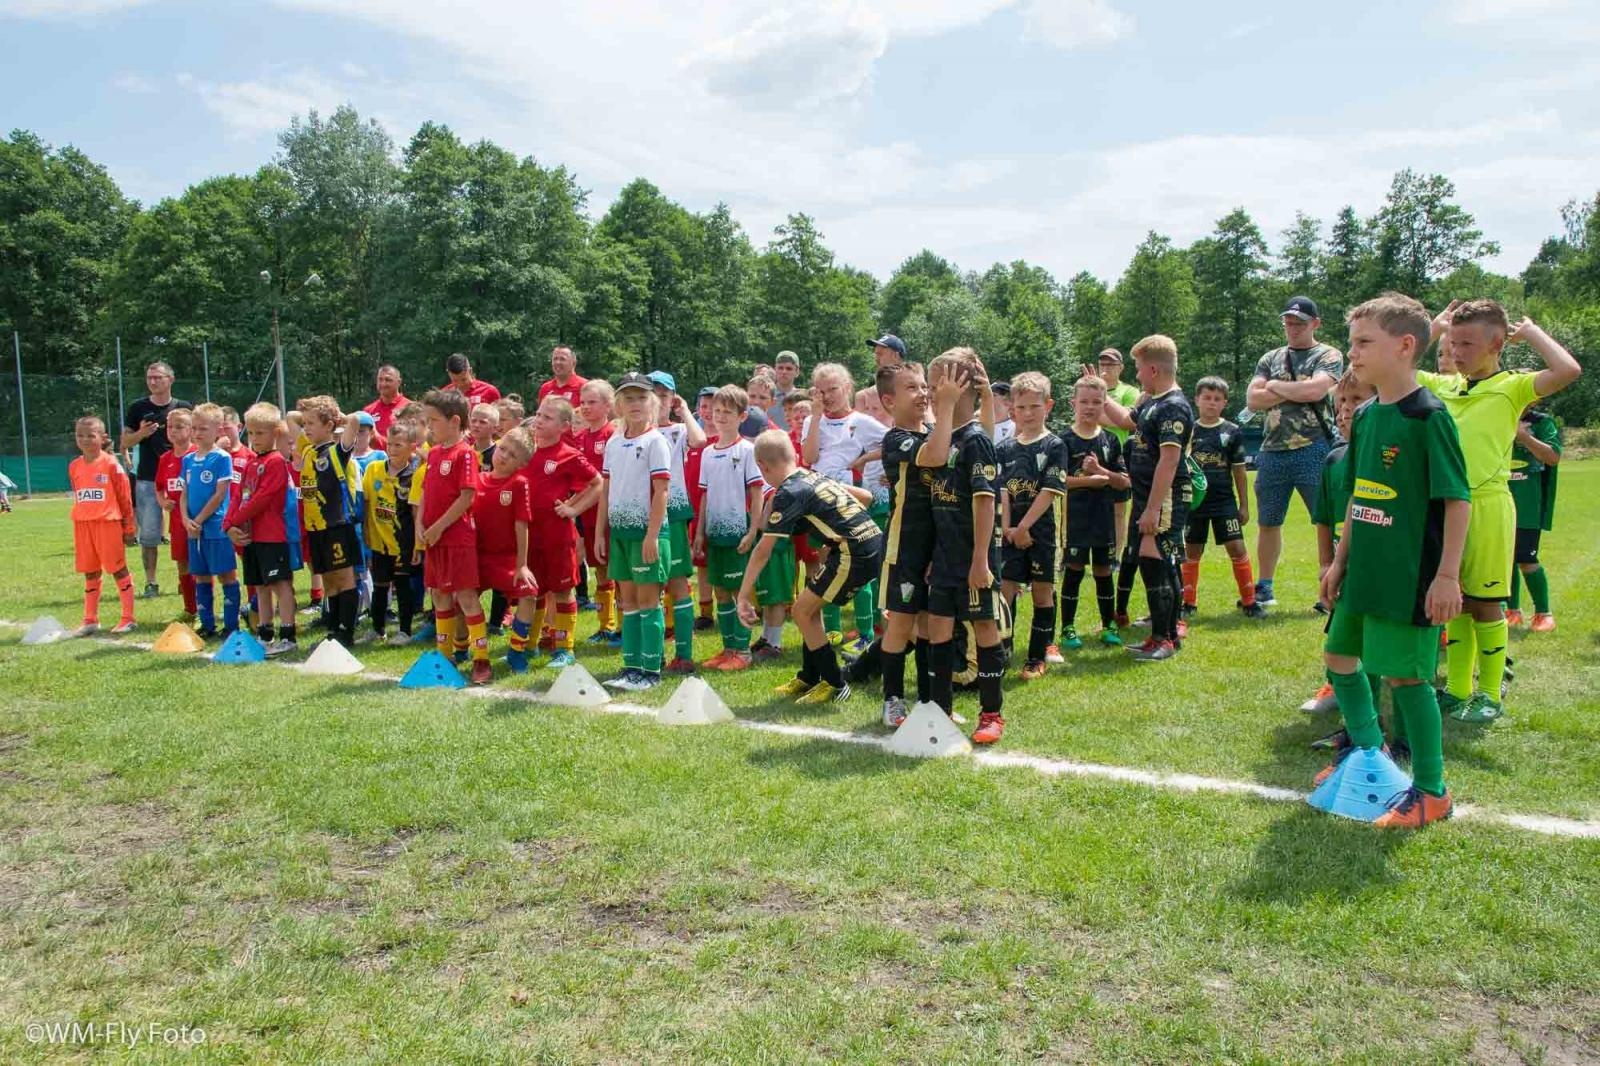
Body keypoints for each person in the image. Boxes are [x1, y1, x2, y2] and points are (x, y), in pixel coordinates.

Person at [1317, 292, 1470, 829]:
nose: (1351, 354)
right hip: (1364, 571)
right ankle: (1370, 756)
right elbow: (1360, 495)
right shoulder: (1363, 416)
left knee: (1407, 680)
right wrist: (1339, 560)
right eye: (1352, 342)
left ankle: (1432, 791)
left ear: (1406, 346)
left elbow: (1457, 500)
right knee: (1339, 659)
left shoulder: (1429, 418)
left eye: (1363, 343)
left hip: (1410, 576)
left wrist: (1447, 575)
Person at [1420, 301, 1581, 722]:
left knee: (1486, 603)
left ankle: (1489, 694)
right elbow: (1395, 371)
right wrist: (1432, 330)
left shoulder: (1512, 386)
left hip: (1488, 507)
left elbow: (1568, 371)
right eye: (1453, 343)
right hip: (1444, 507)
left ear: (1496, 344)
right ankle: (1456, 689)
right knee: (1454, 602)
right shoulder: (1445, 387)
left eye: (1467, 343)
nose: (1457, 352)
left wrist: (1530, 332)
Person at [738, 431, 882, 705]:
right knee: (809, 605)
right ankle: (809, 677)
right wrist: (834, 535)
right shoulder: (811, 476)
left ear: (763, 466)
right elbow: (865, 496)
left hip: (855, 553)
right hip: (865, 543)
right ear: (792, 455)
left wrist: (744, 595)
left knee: (803, 611)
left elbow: (762, 550)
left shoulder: (790, 491)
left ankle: (836, 685)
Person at [916, 348, 1007, 743]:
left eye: (938, 383)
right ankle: (941, 709)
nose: (932, 391)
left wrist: (980, 560)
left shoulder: (975, 442)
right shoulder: (942, 438)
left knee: (984, 626)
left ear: (960, 387)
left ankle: (991, 714)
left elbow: (985, 502)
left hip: (973, 558)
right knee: (938, 626)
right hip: (944, 557)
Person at [1245, 296, 1344, 607]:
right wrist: (1291, 390)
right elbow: (1252, 400)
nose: (1292, 328)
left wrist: (1273, 387)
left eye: (1299, 323)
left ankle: (1328, 588)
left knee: (1326, 521)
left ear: (1315, 324)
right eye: (1288, 322)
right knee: (1268, 521)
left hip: (1314, 446)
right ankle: (1265, 587)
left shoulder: (1327, 354)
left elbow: (1315, 390)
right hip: (1272, 449)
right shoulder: (1270, 357)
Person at [1101, 336, 1193, 662]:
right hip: (1147, 497)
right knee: (1151, 562)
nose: (1137, 375)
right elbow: (1126, 420)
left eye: (1139, 369)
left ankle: (1164, 639)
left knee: (1155, 562)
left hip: (1165, 497)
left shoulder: (1174, 406)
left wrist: (1153, 508)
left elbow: (1169, 460)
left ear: (1153, 369)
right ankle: (1162, 636)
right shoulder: (1152, 400)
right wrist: (1100, 394)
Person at [1300, 373, 1378, 719]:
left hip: (1374, 563)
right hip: (1341, 565)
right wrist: (1326, 562)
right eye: (1341, 403)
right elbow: (1324, 518)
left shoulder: (1382, 457)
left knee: (1373, 636)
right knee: (1339, 631)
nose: (1346, 411)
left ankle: (1377, 695)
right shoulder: (1334, 459)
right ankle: (1335, 684)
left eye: (1356, 401)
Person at [596, 373, 672, 692]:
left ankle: (651, 670)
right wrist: (601, 533)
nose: (635, 404)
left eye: (641, 397)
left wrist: (652, 535)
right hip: (621, 535)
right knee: (627, 602)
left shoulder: (656, 441)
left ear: (651, 402)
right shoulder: (614, 443)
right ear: (619, 405)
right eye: (628, 398)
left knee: (648, 600)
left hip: (646, 533)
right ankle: (631, 667)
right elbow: (606, 489)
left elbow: (662, 492)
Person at [802, 363, 887, 645]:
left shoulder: (861, 421)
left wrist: (866, 461)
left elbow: (895, 442)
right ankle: (833, 628)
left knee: (857, 567)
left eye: (833, 389)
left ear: (847, 388)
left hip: (849, 500)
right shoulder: (811, 420)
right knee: (828, 563)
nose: (827, 396)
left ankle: (865, 634)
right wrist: (815, 418)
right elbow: (809, 457)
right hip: (819, 500)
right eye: (821, 391)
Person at [872, 361, 934, 726]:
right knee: (900, 623)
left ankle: (927, 700)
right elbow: (935, 457)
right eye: (912, 387)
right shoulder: (896, 438)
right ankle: (892, 699)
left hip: (935, 546)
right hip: (903, 547)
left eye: (925, 385)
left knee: (927, 625)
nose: (923, 393)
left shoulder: (934, 431)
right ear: (889, 401)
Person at [417, 388, 490, 684]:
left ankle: (481, 659)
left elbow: (467, 496)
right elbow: (424, 493)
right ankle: (444, 655)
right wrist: (421, 524)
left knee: (466, 596)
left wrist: (439, 527)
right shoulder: (433, 454)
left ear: (454, 421)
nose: (429, 426)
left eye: (433, 420)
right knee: (438, 594)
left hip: (456, 537)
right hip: (433, 538)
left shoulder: (466, 454)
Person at [523, 397, 603, 669]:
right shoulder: (526, 451)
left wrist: (572, 510)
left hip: (557, 535)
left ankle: (564, 648)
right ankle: (530, 645)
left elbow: (596, 483)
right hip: (529, 535)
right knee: (533, 590)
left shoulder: (567, 454)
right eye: (538, 414)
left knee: (562, 590)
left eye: (547, 418)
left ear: (564, 426)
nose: (539, 421)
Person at [997, 372, 1067, 680]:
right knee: (1006, 589)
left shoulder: (1055, 445)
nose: (1027, 414)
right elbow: (1003, 492)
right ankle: (1004, 648)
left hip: (1043, 532)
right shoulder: (1004, 449)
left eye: (1034, 407)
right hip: (1012, 533)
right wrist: (1010, 528)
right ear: (1012, 408)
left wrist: (1025, 528)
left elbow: (1049, 491)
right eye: (1021, 407)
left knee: (1042, 592)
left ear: (1048, 406)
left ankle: (1037, 657)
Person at [1183, 377, 1265, 619]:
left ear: (1224, 403)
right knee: (1191, 551)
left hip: (1223, 502)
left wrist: (1244, 505)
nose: (1211, 403)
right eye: (1206, 398)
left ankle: (1250, 602)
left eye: (1217, 399)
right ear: (1196, 400)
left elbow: (1239, 471)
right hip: (1195, 503)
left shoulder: (1232, 431)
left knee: (1237, 548)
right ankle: (1188, 603)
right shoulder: (1188, 430)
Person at [696, 385, 766, 670]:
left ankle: (743, 652)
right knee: (721, 592)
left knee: (740, 591)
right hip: (715, 535)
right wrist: (700, 533)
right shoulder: (708, 453)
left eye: (727, 412)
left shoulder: (748, 450)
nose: (720, 417)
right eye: (716, 411)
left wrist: (753, 531)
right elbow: (704, 495)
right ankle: (728, 649)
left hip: (739, 533)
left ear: (742, 416)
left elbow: (758, 492)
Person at [1057, 376, 1128, 652]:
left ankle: (1109, 625)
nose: (1090, 407)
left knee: (1103, 571)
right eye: (1084, 401)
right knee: (1073, 571)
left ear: (1104, 405)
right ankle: (1067, 628)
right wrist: (1087, 480)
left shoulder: (1110, 440)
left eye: (1097, 402)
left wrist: (1102, 472)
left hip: (1102, 519)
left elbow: (1124, 481)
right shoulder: (1062, 441)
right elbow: (1056, 482)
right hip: (1074, 520)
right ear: (1073, 403)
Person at [289, 398, 365, 650]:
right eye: (306, 423)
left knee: (344, 578)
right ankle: (332, 629)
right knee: (329, 581)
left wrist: (338, 418)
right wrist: (311, 410)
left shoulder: (337, 450)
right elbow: (290, 418)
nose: (306, 427)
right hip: (316, 528)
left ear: (329, 425)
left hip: (337, 526)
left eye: (311, 423)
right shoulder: (309, 450)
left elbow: (355, 420)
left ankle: (346, 631)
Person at [647, 370, 706, 672]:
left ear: (672, 398)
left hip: (674, 511)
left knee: (677, 581)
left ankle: (683, 654)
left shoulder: (678, 431)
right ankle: (652, 654)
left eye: (663, 394)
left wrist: (683, 411)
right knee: (647, 586)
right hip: (640, 515)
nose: (656, 400)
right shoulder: (632, 432)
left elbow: (699, 440)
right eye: (651, 393)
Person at [227, 402, 297, 655]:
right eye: (251, 433)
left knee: (280, 583)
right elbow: (238, 496)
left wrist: (235, 521)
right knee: (260, 586)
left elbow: (262, 499)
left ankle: (288, 634)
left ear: (276, 432)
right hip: (252, 537)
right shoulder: (250, 462)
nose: (254, 438)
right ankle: (264, 633)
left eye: (260, 433)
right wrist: (228, 524)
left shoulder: (277, 462)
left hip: (272, 535)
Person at [120, 361, 193, 598]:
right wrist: (142, 433)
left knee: (187, 528)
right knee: (150, 534)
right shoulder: (138, 408)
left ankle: (187, 580)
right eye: (149, 377)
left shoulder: (183, 407)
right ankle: (151, 582)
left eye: (158, 377)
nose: (153, 381)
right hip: (149, 478)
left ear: (170, 379)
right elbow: (125, 443)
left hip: (183, 476)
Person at [473, 428, 537, 674]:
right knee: (460, 601)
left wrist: (521, 564)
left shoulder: (519, 484)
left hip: (506, 559)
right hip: (476, 557)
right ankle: (462, 649)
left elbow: (522, 525)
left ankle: (516, 651)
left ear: (521, 463)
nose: (503, 456)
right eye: (502, 449)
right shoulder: (477, 480)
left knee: (529, 594)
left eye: (512, 455)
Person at [68, 415, 138, 636]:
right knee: (90, 571)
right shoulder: (74, 466)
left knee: (117, 569)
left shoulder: (111, 465)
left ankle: (128, 618)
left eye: (91, 435)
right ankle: (90, 619)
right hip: (83, 524)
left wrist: (128, 528)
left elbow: (124, 497)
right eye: (80, 435)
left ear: (102, 437)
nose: (85, 440)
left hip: (108, 523)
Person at [177, 404, 241, 640]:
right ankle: (207, 624)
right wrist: (185, 519)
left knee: (226, 574)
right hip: (193, 529)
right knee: (201, 575)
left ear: (218, 429)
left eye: (203, 428)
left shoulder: (221, 458)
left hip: (214, 526)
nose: (197, 433)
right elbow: (183, 493)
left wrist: (199, 519)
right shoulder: (188, 460)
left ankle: (231, 625)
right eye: (194, 428)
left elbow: (220, 494)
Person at [360, 419, 421, 647]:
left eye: (399, 445)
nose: (392, 449)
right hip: (378, 540)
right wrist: (366, 530)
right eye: (390, 444)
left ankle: (405, 631)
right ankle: (378, 629)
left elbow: (416, 512)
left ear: (412, 447)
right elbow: (366, 504)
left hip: (403, 543)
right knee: (380, 586)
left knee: (403, 586)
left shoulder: (414, 474)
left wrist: (417, 544)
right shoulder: (374, 469)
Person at [1506, 402, 1561, 631]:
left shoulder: (1542, 422)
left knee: (1526, 559)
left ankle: (1543, 613)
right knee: (1504, 559)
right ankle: (1512, 611)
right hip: (1498, 500)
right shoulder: (1499, 415)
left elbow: (1553, 457)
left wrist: (1523, 437)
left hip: (1528, 504)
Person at [575, 380, 620, 645]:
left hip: (611, 513)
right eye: (583, 402)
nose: (586, 407)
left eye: (592, 402)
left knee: (618, 570)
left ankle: (624, 626)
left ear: (608, 405)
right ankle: (606, 625)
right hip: (588, 515)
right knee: (599, 568)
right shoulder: (580, 438)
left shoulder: (612, 434)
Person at [1093, 349, 1140, 566]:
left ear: (1121, 367)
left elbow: (1125, 421)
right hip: (1092, 451)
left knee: (1119, 510)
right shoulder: (1091, 388)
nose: (1106, 368)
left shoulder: (1129, 391)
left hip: (1118, 454)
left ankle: (1116, 556)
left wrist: (1100, 415)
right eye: (1102, 364)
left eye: (1111, 364)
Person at [153, 408, 198, 623]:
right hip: (177, 523)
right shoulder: (165, 459)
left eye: (179, 426)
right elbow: (159, 486)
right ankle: (190, 608)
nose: (173, 431)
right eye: (170, 426)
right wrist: (162, 501)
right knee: (183, 562)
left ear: (191, 429)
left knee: (205, 564)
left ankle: (208, 607)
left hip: (199, 520)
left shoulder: (199, 454)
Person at [364, 365, 410, 439]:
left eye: (388, 380)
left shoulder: (410, 408)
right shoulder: (368, 411)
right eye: (380, 379)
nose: (383, 383)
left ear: (399, 382)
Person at [770, 351, 801, 430]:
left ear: (797, 372)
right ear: (775, 370)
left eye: (789, 369)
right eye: (780, 368)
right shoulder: (766, 396)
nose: (784, 372)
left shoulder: (801, 398)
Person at [469, 403, 499, 471]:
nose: (476, 425)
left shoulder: (497, 454)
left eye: (482, 422)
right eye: (473, 421)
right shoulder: (466, 451)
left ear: (495, 429)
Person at [989, 381, 1015, 445]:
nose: (986, 398)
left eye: (993, 395)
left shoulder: (1015, 427)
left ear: (1008, 401)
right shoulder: (978, 424)